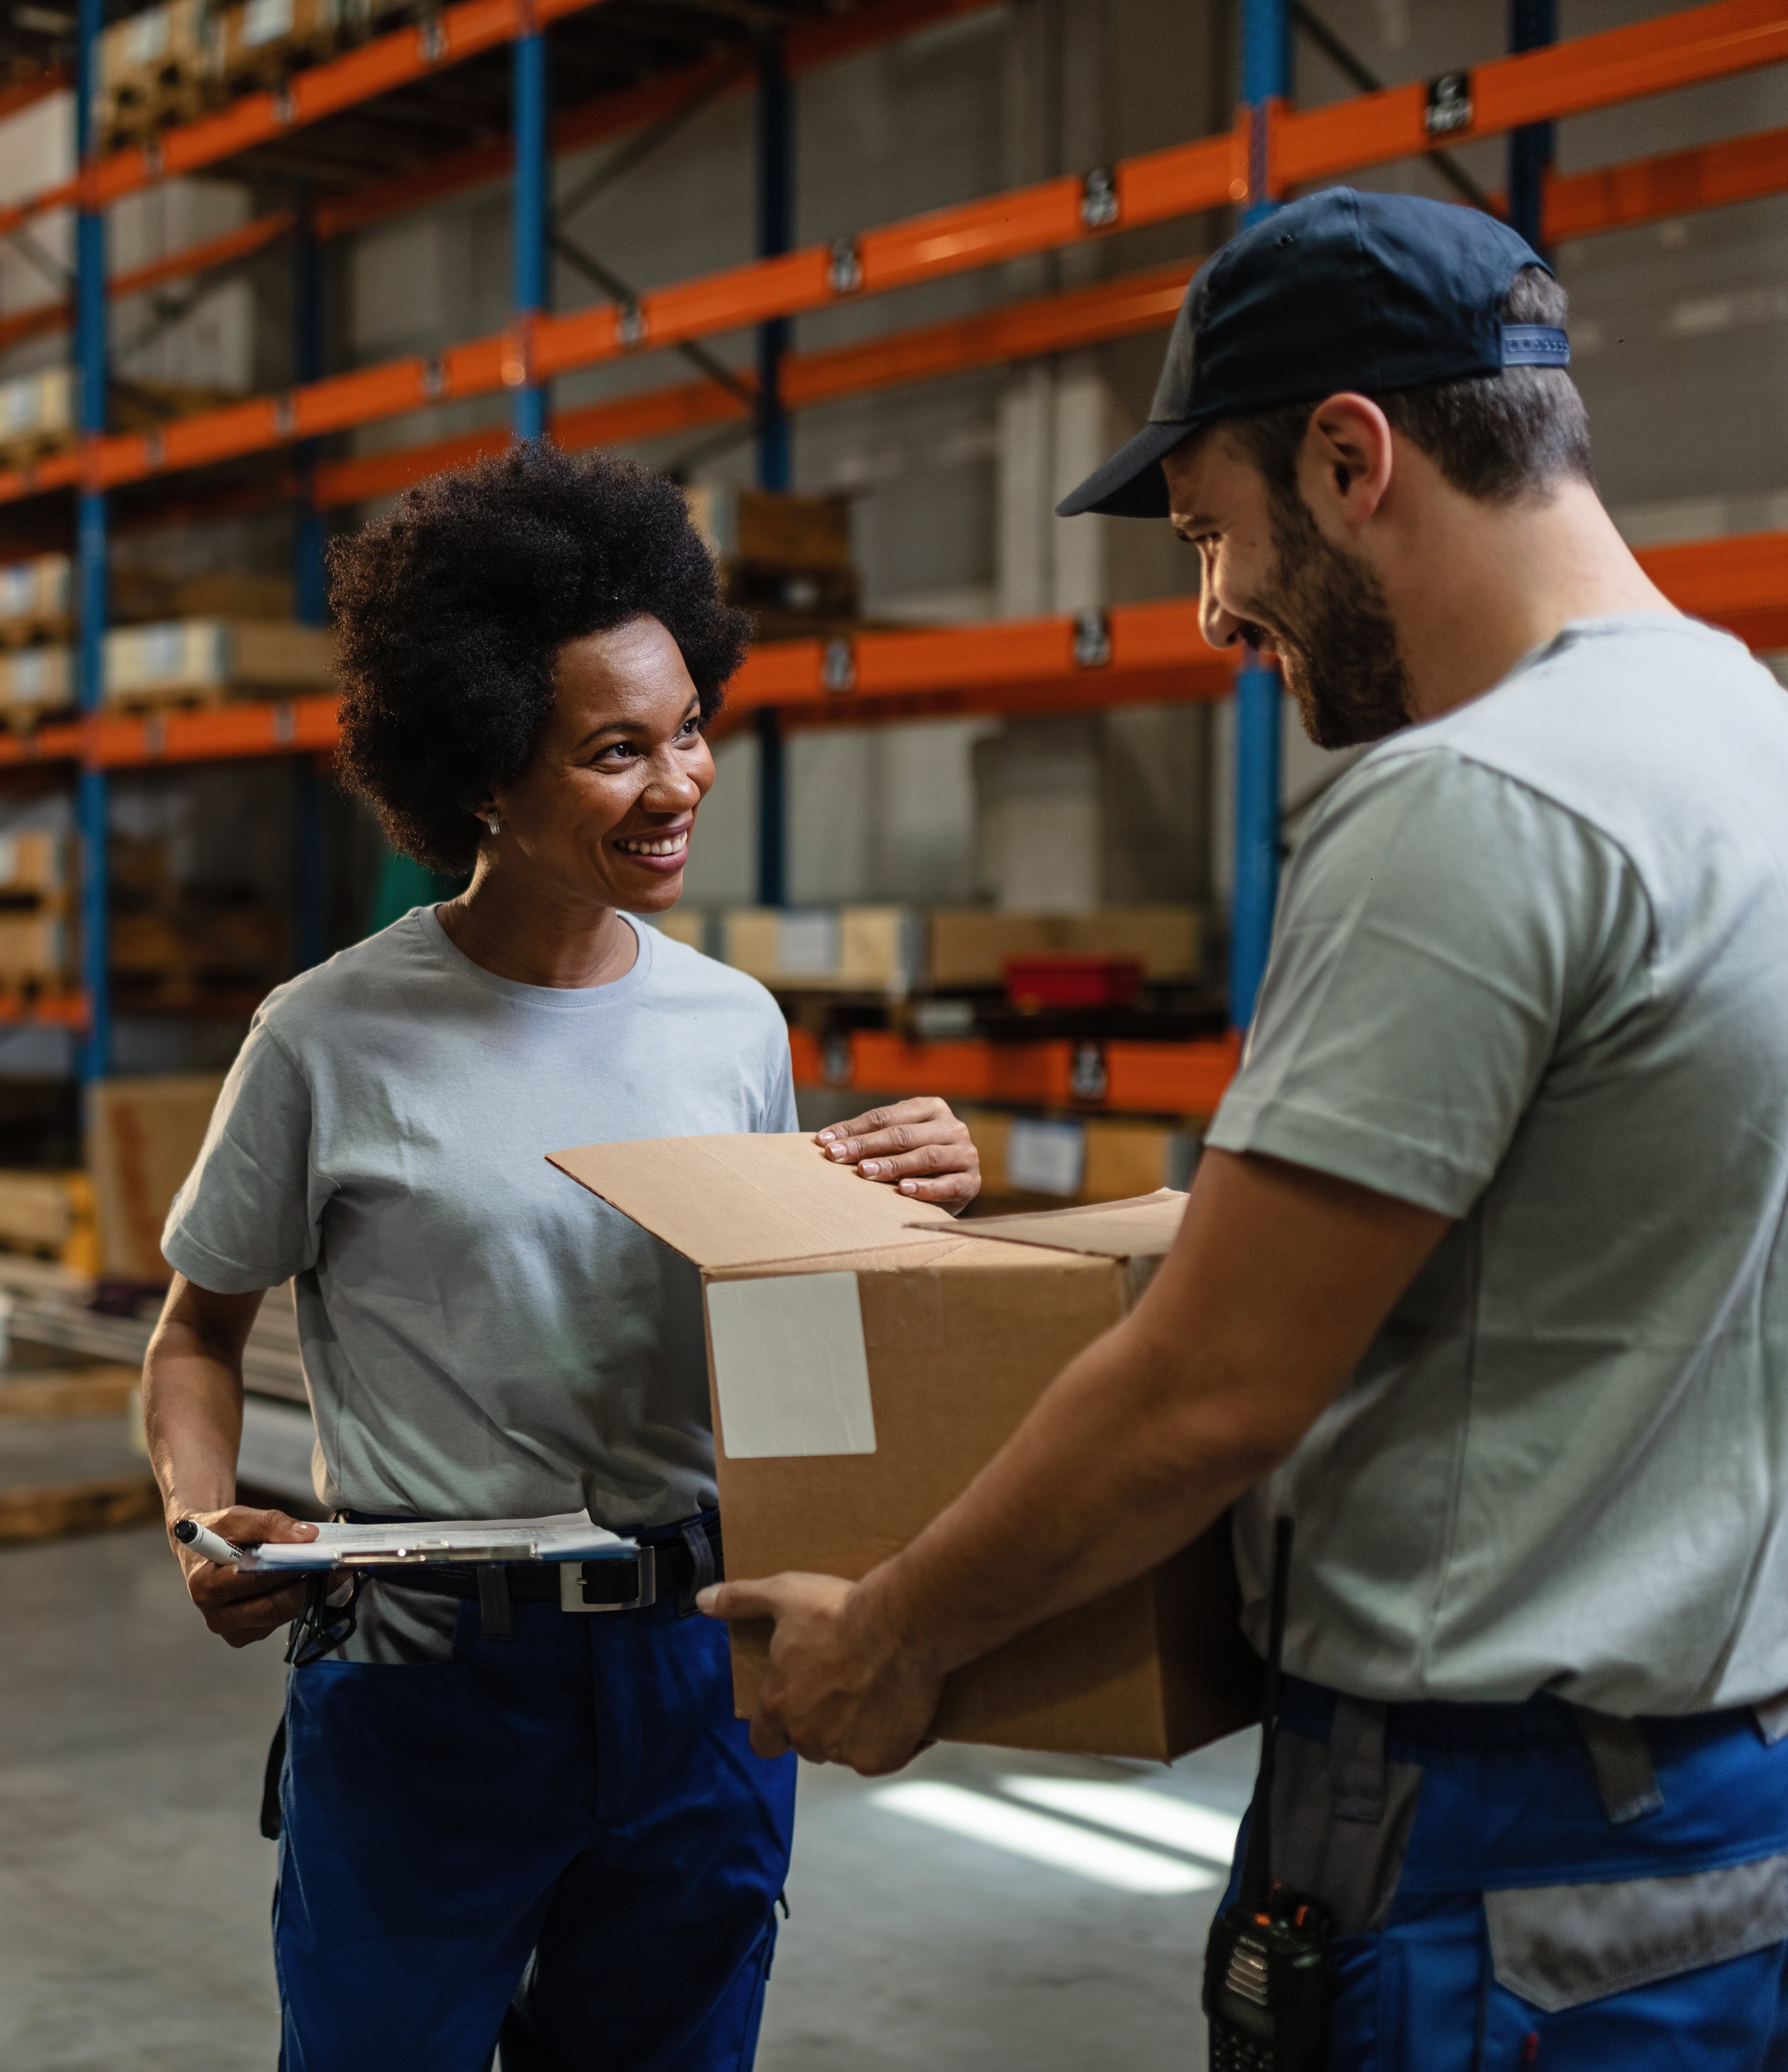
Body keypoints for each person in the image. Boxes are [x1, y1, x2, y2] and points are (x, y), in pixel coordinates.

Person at [706, 189, 1788, 2063]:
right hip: (1721, 1815)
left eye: (1211, 530)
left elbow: (1214, 1385)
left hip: (1480, 1849)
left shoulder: (1471, 806)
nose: (1214, 609)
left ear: (1352, 456)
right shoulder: (1746, 739)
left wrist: (892, 1640)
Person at [142, 440, 983, 2071]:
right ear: (481, 772)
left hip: (693, 1670)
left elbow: (780, 1356)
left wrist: (903, 1209)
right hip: (425, 1682)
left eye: (688, 731)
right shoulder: (328, 1037)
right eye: (614, 751)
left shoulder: (732, 1024)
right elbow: (196, 1328)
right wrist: (195, 1512)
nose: (677, 784)